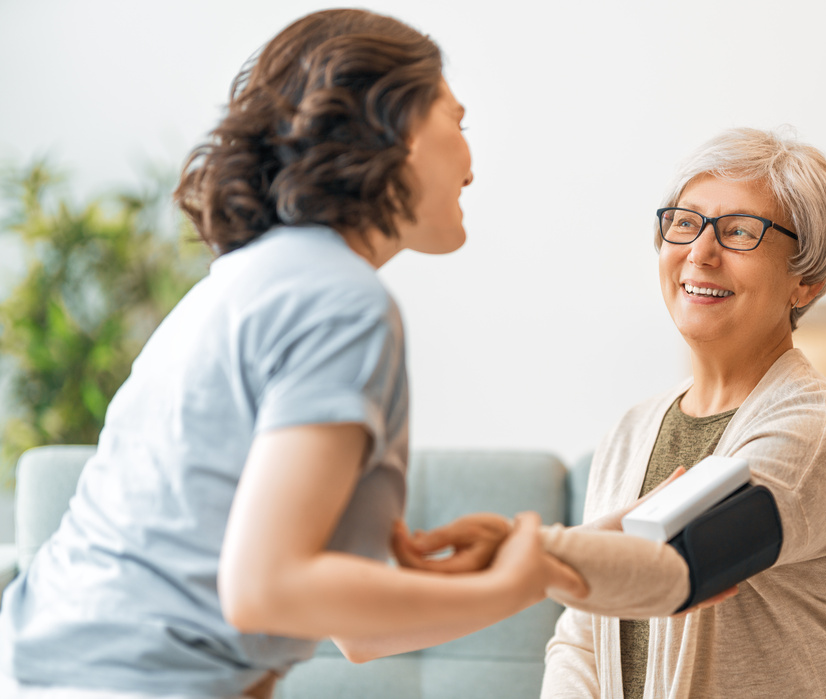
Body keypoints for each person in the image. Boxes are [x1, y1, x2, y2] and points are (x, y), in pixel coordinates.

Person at [0, 9, 584, 699]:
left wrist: (527, 568)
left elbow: (354, 633)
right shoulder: (340, 299)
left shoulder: (263, 278)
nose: (471, 162)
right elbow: (267, 588)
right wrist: (511, 586)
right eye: (457, 120)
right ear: (393, 127)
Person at [539, 127, 826, 698]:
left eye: (739, 232)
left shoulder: (820, 432)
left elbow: (682, 565)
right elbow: (583, 636)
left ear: (806, 282)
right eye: (685, 223)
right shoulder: (630, 432)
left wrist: (520, 556)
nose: (700, 253)